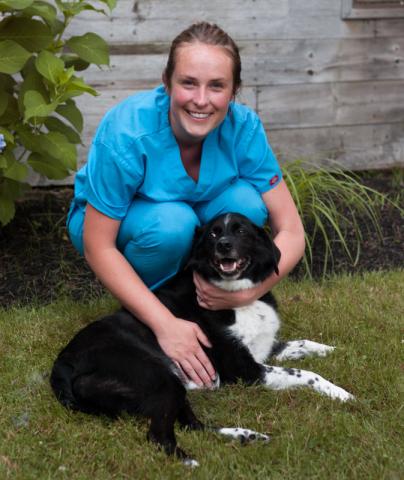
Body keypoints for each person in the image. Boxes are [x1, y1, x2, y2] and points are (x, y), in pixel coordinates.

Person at [66, 22, 305, 389]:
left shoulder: (245, 128)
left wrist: (250, 292)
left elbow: (291, 230)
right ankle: (154, 313)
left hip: (193, 212)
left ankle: (207, 299)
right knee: (172, 225)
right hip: (119, 224)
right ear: (167, 82)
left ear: (234, 91)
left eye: (217, 86)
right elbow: (99, 246)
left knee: (246, 204)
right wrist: (166, 325)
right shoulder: (127, 130)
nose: (201, 99)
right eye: (188, 82)